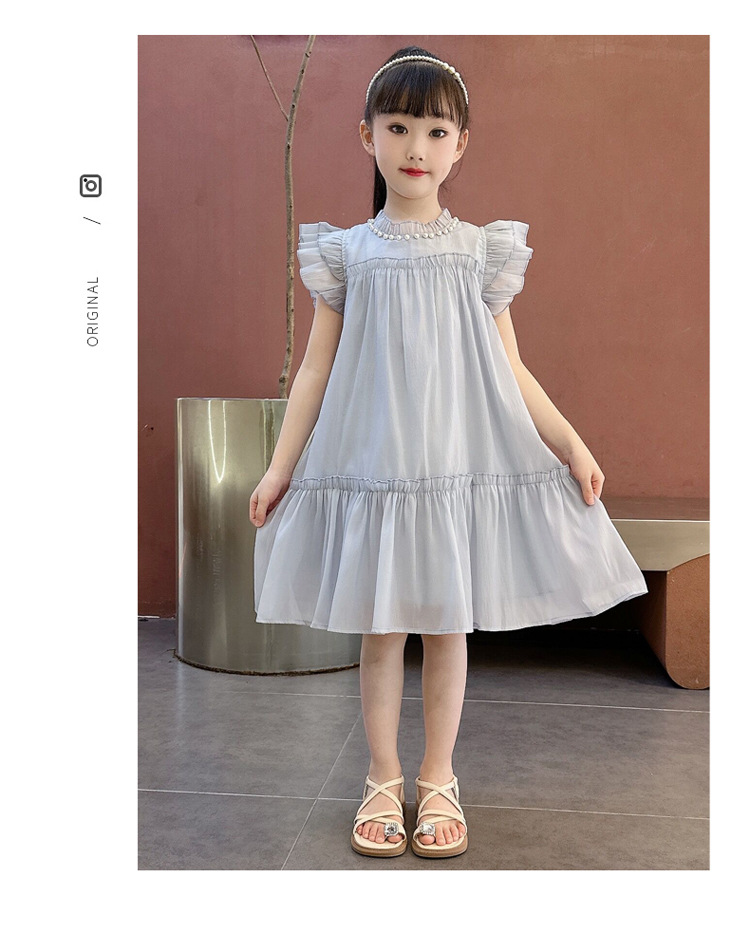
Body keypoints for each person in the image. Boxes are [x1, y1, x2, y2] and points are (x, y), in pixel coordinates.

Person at [249, 45, 648, 861]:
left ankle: (438, 776)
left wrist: (570, 442)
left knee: (446, 628)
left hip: (450, 472)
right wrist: (280, 466)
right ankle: (381, 774)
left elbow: (510, 367)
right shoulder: (349, 254)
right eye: (398, 127)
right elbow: (316, 368)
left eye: (435, 131)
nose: (416, 148)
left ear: (461, 144)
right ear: (367, 134)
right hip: (375, 469)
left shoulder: (477, 252)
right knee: (381, 628)